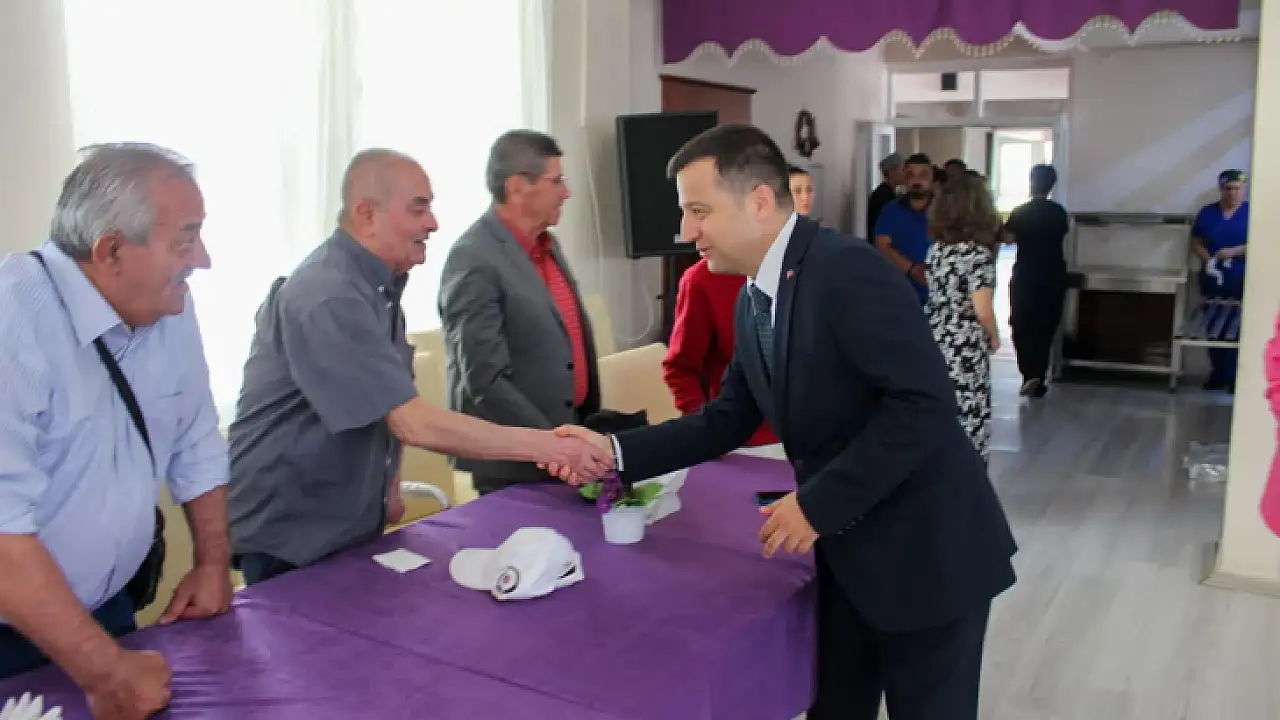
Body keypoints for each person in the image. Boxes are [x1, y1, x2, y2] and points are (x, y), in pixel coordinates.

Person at [548, 125, 1017, 720]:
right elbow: (727, 419)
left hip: (926, 554)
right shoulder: (754, 297)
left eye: (699, 211)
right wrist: (613, 452)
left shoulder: (848, 271)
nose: (686, 231)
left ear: (760, 202)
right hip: (850, 555)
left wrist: (817, 504)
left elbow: (922, 407)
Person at [227, 148, 612, 586]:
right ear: (366, 214)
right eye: (418, 209)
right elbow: (413, 421)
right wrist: (551, 447)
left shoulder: (377, 286)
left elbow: (386, 399)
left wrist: (387, 486)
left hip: (344, 522)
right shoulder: (328, 294)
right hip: (294, 533)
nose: (432, 223)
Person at [0, 143, 233, 717]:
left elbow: (196, 439)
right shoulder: (13, 322)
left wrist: (212, 562)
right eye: (186, 239)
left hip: (105, 613)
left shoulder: (169, 306)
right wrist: (108, 676)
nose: (203, 259)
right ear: (110, 251)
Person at [437, 131, 608, 496]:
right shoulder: (473, 258)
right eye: (556, 181)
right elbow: (484, 379)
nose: (566, 192)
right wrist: (553, 444)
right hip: (513, 462)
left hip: (566, 447)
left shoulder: (548, 244)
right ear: (517, 187)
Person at [662, 256, 779, 447]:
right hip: (746, 443)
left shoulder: (814, 270)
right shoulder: (701, 280)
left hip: (815, 436)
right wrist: (705, 431)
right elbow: (680, 369)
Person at [926, 177, 1002, 462]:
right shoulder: (977, 255)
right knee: (970, 415)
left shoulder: (936, 250)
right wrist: (994, 336)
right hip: (964, 344)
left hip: (934, 334)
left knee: (940, 411)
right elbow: (982, 309)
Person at [1003, 164, 1070, 398]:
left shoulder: (1021, 212)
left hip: (1026, 274)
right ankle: (1038, 376)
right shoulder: (1059, 213)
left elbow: (1007, 238)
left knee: (1021, 323)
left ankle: (1028, 373)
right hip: (1053, 274)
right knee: (1046, 325)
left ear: (1031, 181)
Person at [1191, 169, 1249, 392]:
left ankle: (1236, 377)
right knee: (1214, 326)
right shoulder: (1208, 213)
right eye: (1228, 188)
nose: (1233, 193)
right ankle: (1218, 374)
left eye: (1237, 188)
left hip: (1240, 278)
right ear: (1221, 189)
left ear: (1243, 189)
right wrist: (1208, 259)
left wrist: (1234, 251)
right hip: (1213, 279)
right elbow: (1196, 241)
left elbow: (1260, 242)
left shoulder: (1251, 213)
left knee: (1237, 327)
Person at [874, 153, 935, 305]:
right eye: (911, 175)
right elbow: (882, 245)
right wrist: (912, 269)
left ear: (932, 178)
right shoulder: (891, 209)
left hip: (939, 295)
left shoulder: (945, 209)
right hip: (901, 294)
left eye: (923, 175)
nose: (917, 181)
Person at [866, 152, 904, 241]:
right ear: (892, 171)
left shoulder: (889, 193)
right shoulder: (882, 195)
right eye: (902, 170)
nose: (905, 174)